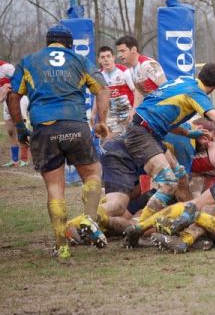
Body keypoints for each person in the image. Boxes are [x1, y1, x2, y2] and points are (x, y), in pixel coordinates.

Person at [8, 24, 110, 260]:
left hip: (44, 128)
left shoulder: (29, 60)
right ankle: (88, 218)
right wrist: (101, 121)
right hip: (75, 125)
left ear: (48, 43)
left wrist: (22, 129)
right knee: (93, 174)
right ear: (69, 44)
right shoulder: (79, 60)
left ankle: (61, 246)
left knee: (55, 189)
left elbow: (13, 96)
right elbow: (102, 90)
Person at [123, 63, 215, 225]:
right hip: (141, 133)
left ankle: (187, 219)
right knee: (168, 183)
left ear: (200, 74)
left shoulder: (184, 80)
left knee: (181, 176)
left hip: (148, 131)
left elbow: (164, 117)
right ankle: (140, 227)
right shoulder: (196, 93)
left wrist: (189, 133)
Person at [91, 46, 135, 137]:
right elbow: (98, 97)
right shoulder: (98, 76)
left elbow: (136, 92)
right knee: (110, 141)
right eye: (102, 57)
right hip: (111, 115)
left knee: (131, 140)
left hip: (128, 112)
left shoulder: (124, 71)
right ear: (99, 60)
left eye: (108, 56)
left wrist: (134, 111)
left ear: (113, 58)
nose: (106, 60)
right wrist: (93, 114)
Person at [115, 35, 166, 108]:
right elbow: (139, 94)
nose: (119, 55)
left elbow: (166, 87)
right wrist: (133, 112)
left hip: (161, 108)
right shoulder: (132, 69)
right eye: (119, 52)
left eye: (123, 51)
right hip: (150, 108)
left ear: (133, 49)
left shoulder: (147, 65)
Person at [1, 59, 29, 167]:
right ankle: (14, 159)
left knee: (20, 128)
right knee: (10, 131)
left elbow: (21, 80)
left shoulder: (6, 67)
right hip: (6, 101)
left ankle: (24, 159)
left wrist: (8, 87)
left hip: (18, 99)